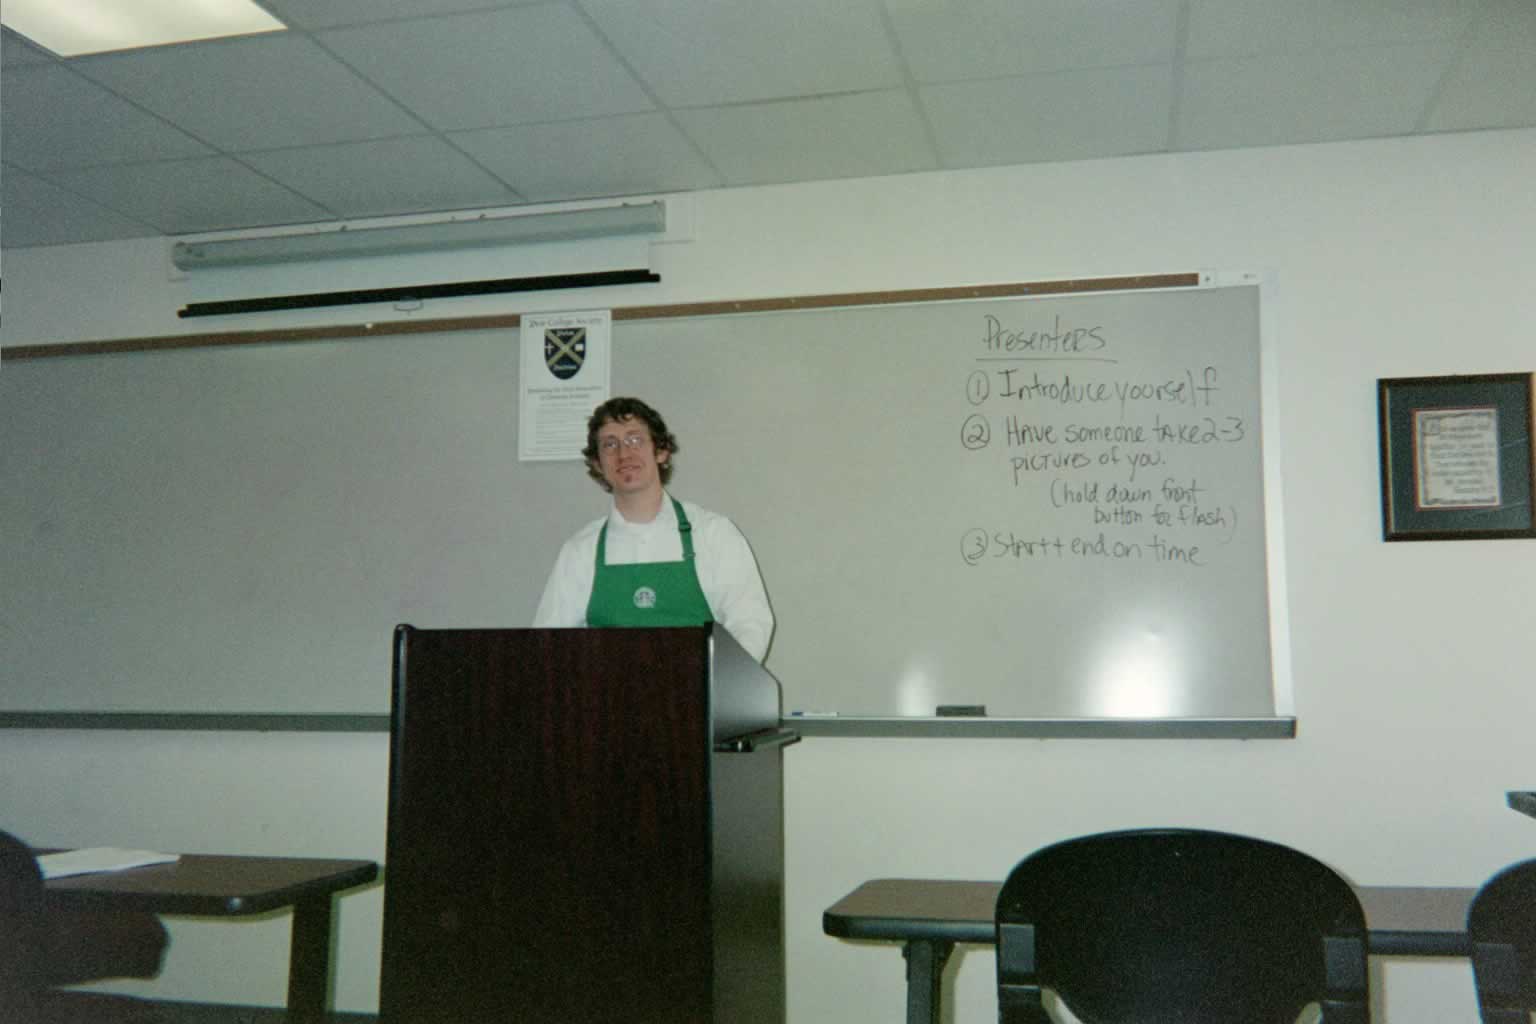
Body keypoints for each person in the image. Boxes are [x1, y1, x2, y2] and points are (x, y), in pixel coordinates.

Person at [532, 397, 774, 662]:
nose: (624, 454)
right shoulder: (580, 551)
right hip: (605, 701)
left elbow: (750, 624)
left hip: (698, 699)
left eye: (635, 440)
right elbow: (548, 646)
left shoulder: (713, 534)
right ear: (598, 464)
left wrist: (717, 689)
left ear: (661, 451)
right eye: (610, 444)